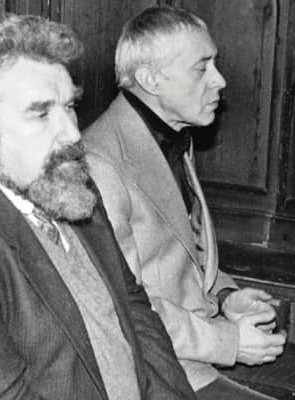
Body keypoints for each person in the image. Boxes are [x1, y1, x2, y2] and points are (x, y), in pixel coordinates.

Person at [0, 13, 196, 400]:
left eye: (69, 107)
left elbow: (135, 311)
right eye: (40, 113)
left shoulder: (67, 184)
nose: (71, 133)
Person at [84, 6, 290, 400]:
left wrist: (226, 297)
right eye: (202, 68)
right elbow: (122, 304)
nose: (220, 80)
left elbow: (180, 254)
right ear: (150, 79)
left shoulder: (173, 135)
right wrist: (228, 341)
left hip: (193, 350)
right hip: (156, 369)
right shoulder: (99, 163)